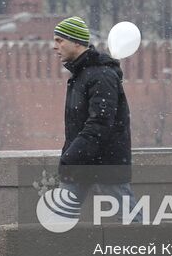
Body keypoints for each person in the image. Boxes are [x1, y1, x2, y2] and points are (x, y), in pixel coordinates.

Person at [53, 16, 134, 214]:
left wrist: (71, 156)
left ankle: (150, 245)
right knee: (57, 220)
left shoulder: (101, 75)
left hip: (104, 164)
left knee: (132, 224)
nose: (54, 46)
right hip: (82, 165)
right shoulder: (81, 74)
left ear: (76, 42)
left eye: (59, 40)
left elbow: (100, 123)